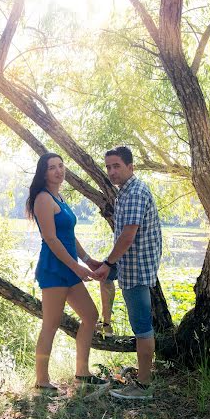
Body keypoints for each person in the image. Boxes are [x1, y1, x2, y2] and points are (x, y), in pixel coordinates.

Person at [26, 152, 106, 391]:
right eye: (52, 167)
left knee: (90, 316)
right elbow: (50, 239)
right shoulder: (42, 198)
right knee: (51, 324)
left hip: (70, 268)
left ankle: (82, 372)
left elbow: (69, 236)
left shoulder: (59, 197)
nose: (58, 171)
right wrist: (76, 267)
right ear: (43, 173)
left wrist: (88, 260)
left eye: (61, 166)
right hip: (54, 269)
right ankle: (41, 381)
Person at [94, 146, 162, 399]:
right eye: (108, 167)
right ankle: (106, 323)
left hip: (136, 269)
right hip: (130, 264)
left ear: (130, 167)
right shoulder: (127, 191)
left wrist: (109, 264)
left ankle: (143, 386)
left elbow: (127, 237)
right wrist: (105, 266)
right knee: (105, 278)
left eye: (116, 166)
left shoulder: (134, 193)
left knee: (142, 326)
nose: (111, 171)